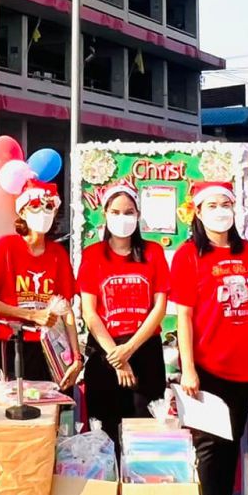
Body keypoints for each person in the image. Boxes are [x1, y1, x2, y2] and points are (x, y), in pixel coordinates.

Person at [171, 179, 248, 495]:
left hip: (244, 367)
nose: (221, 211)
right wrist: (189, 368)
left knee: (231, 442)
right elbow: (183, 317)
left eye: (226, 204)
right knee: (208, 446)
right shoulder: (188, 255)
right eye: (212, 205)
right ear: (198, 212)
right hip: (207, 367)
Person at [76, 183, 169, 449]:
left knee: (144, 437)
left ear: (138, 215)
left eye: (129, 212)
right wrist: (117, 357)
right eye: (115, 212)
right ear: (105, 214)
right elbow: (89, 312)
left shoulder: (153, 252)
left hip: (144, 351)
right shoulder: (93, 255)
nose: (122, 218)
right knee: (105, 436)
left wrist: (129, 349)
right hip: (105, 353)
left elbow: (159, 308)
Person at [0, 180, 79, 384]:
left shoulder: (58, 253)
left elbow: (66, 309)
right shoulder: (6, 246)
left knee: (51, 400)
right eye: (36, 206)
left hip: (50, 346)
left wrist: (77, 357)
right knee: (15, 399)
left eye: (49, 207)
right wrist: (31, 315)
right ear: (22, 212)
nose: (43, 212)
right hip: (12, 342)